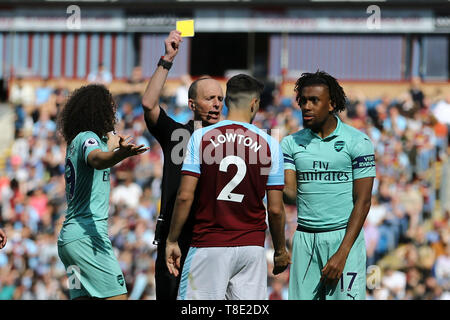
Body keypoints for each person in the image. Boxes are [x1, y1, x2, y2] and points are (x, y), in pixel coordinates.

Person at [165, 74, 291, 300]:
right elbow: (275, 209)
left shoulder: (201, 137)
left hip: (209, 245)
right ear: (254, 103)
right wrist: (280, 250)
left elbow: (185, 196)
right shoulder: (271, 143)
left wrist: (172, 240)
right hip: (252, 249)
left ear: (227, 101)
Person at [141, 30, 224, 300]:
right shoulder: (177, 135)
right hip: (173, 237)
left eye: (220, 99)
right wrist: (167, 58)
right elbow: (149, 103)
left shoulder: (229, 141)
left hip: (211, 237)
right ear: (191, 104)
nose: (216, 104)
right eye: (209, 98)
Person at [281, 71, 376, 300]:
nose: (306, 106)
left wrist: (342, 254)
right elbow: (290, 195)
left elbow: (363, 202)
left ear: (332, 104)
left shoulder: (358, 142)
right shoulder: (290, 143)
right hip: (304, 240)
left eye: (314, 100)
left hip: (344, 239)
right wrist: (265, 178)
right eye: (303, 101)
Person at [57, 84, 149, 300]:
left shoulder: (76, 142)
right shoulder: (88, 137)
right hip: (87, 238)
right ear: (98, 110)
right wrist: (120, 154)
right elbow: (96, 159)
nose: (113, 113)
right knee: (117, 296)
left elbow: (99, 153)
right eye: (110, 108)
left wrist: (113, 146)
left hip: (70, 243)